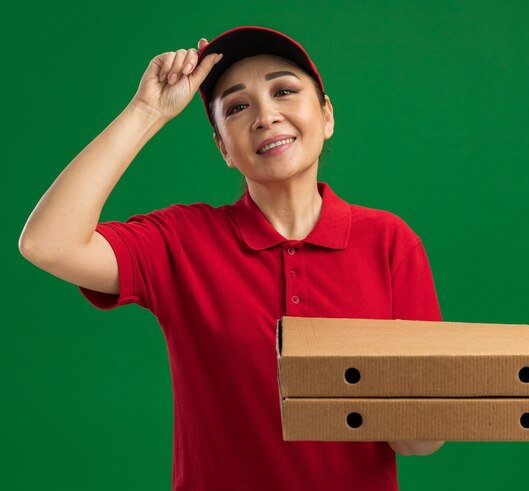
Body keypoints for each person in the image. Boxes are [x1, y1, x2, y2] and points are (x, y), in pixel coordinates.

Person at [19, 26, 445, 490]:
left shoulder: (390, 242)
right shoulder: (182, 240)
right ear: (223, 147)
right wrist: (145, 112)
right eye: (238, 107)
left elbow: (419, 442)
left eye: (284, 91)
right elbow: (48, 243)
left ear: (326, 116)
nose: (265, 115)